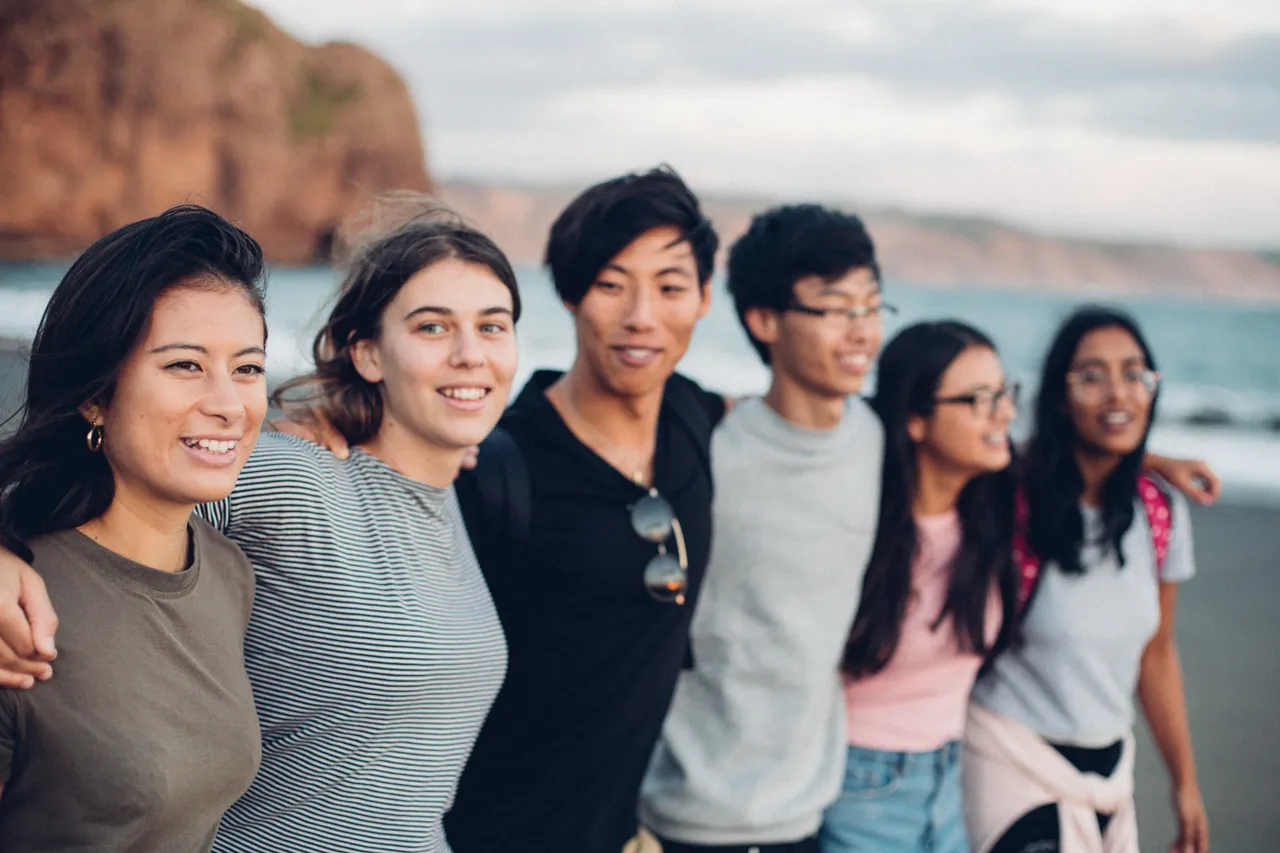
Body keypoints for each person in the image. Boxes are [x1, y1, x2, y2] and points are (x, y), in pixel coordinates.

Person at [441, 165, 724, 853]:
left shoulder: (693, 413)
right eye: (610, 283)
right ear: (569, 296)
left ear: (705, 299)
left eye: (670, 286)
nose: (641, 316)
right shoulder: (498, 465)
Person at [0, 205, 268, 850]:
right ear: (95, 394)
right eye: (184, 365)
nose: (228, 404)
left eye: (249, 368)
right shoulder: (19, 604)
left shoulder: (228, 573)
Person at [639, 204, 886, 853]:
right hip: (682, 815)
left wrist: (1146, 455)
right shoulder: (708, 457)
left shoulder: (880, 440)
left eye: (871, 306)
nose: (861, 330)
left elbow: (990, 442)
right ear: (764, 319)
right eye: (835, 308)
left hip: (809, 816)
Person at [966, 306, 1209, 853]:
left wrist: (1185, 785)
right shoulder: (1009, 499)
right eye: (1092, 377)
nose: (1118, 394)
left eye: (1134, 375)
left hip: (1109, 775)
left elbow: (1158, 653)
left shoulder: (1160, 510)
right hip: (1011, 760)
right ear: (1058, 396)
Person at [820, 321, 1019, 853]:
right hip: (857, 785)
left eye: (1004, 393)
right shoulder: (858, 528)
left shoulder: (990, 515)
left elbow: (1081, 461)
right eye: (979, 399)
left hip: (951, 784)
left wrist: (1159, 463)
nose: (1004, 413)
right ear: (915, 419)